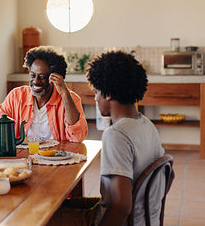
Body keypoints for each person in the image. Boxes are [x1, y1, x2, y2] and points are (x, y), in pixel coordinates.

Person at [53, 50, 165, 226]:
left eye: (96, 91)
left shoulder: (116, 135)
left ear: (108, 94)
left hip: (122, 220)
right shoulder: (147, 125)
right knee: (54, 206)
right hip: (146, 217)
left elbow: (120, 206)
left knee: (40, 216)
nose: (96, 98)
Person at [0, 45, 88, 142]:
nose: (36, 81)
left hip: (56, 157)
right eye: (33, 75)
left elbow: (78, 137)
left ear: (54, 78)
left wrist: (65, 94)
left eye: (42, 77)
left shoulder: (70, 99)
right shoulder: (16, 96)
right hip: (23, 157)